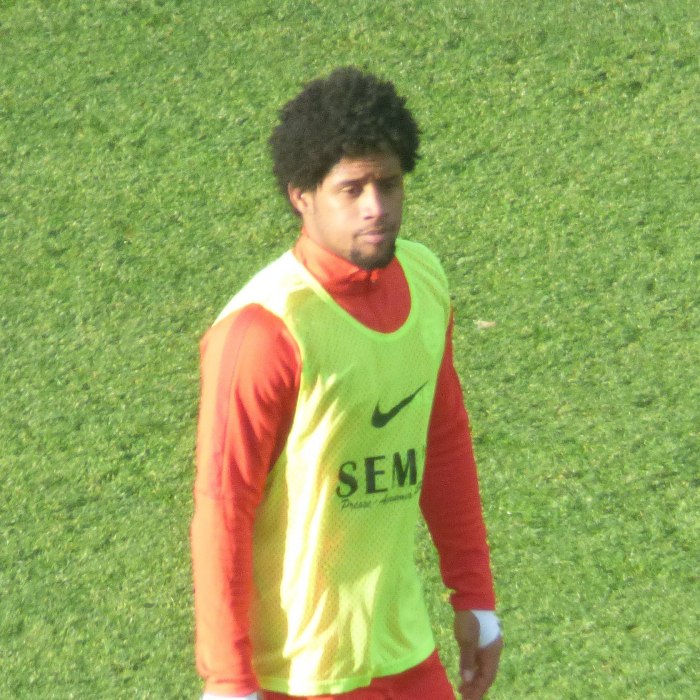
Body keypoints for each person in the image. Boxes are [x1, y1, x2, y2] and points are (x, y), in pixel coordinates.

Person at [191, 66, 502, 700]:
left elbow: (443, 440)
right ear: (301, 196)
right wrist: (228, 681)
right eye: (351, 189)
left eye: (388, 184)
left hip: (403, 650)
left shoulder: (424, 279)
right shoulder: (264, 331)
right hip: (297, 674)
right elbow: (223, 506)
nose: (376, 208)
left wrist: (474, 595)